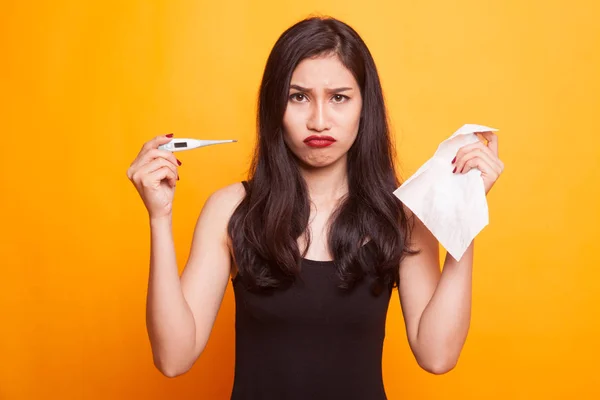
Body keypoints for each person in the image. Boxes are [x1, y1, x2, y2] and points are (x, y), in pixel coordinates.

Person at [126, 16, 504, 400]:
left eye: (339, 97)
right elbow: (173, 358)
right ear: (275, 106)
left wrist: (465, 211)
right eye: (298, 97)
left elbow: (437, 355)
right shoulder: (231, 209)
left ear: (363, 106)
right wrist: (160, 217)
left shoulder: (401, 215)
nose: (319, 121)